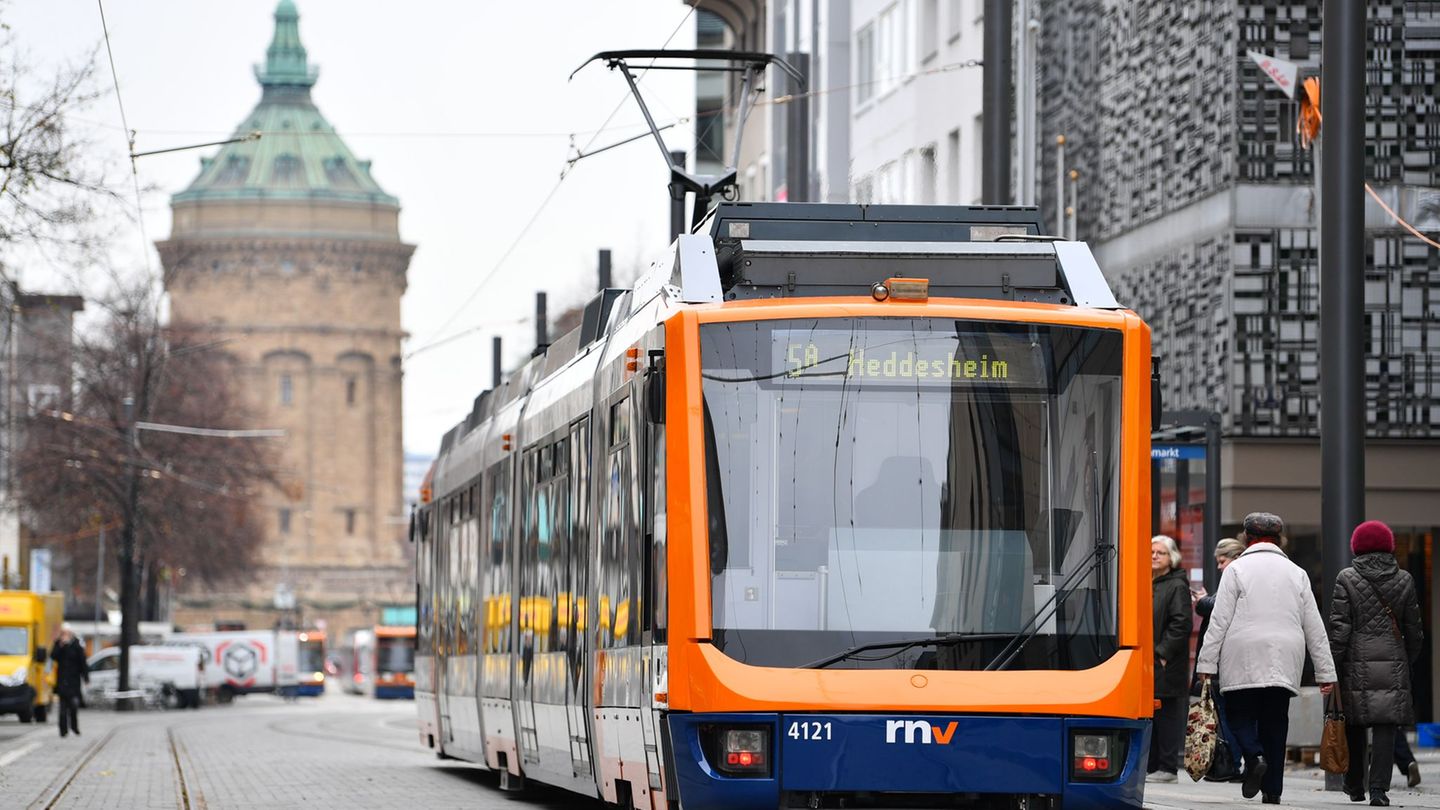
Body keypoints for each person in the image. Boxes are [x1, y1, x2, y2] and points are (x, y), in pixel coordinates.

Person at [1196, 512, 1337, 805]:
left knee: (1239, 713)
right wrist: (1326, 673)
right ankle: (1273, 791)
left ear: (1247, 538)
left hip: (1243, 652)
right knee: (1276, 721)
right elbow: (1314, 625)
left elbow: (1219, 621)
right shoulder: (1297, 573)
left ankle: (1254, 755)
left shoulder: (1236, 570)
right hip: (1286, 654)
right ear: (1279, 540)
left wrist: (1206, 665)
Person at [1329, 520, 1423, 807]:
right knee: (1385, 726)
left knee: (1355, 723)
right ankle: (1379, 791)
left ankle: (1355, 785)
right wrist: (1406, 658)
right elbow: (1414, 630)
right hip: (1393, 660)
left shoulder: (1346, 578)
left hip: (1356, 662)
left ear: (1356, 547)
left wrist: (1331, 664)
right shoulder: (1404, 579)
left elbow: (1339, 628)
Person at [1193, 537, 1247, 782]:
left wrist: (1202, 600)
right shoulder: (1234, 579)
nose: (1219, 567)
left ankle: (1231, 763)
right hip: (1230, 661)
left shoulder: (1236, 579)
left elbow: (1210, 606)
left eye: (1222, 561)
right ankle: (1234, 762)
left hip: (1226, 662)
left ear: (1235, 559)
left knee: (1227, 715)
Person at [1148, 534, 1191, 783]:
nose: (1154, 556)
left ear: (1171, 558)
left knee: (1167, 716)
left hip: (1166, 663)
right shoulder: (1150, 582)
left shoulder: (1176, 585)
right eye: (1152, 552)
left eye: (1160, 553)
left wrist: (1162, 654)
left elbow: (1181, 623)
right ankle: (1153, 766)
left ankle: (1167, 768)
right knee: (1151, 715)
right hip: (1149, 662)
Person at [49, 625, 89, 738]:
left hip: (74, 681)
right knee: (62, 708)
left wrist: (86, 677)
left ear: (71, 634)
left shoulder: (77, 645)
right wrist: (61, 645)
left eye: (67, 633)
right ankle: (63, 730)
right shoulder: (59, 644)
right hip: (62, 681)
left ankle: (74, 727)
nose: (65, 635)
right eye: (63, 633)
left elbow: (83, 663)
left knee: (74, 706)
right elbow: (53, 656)